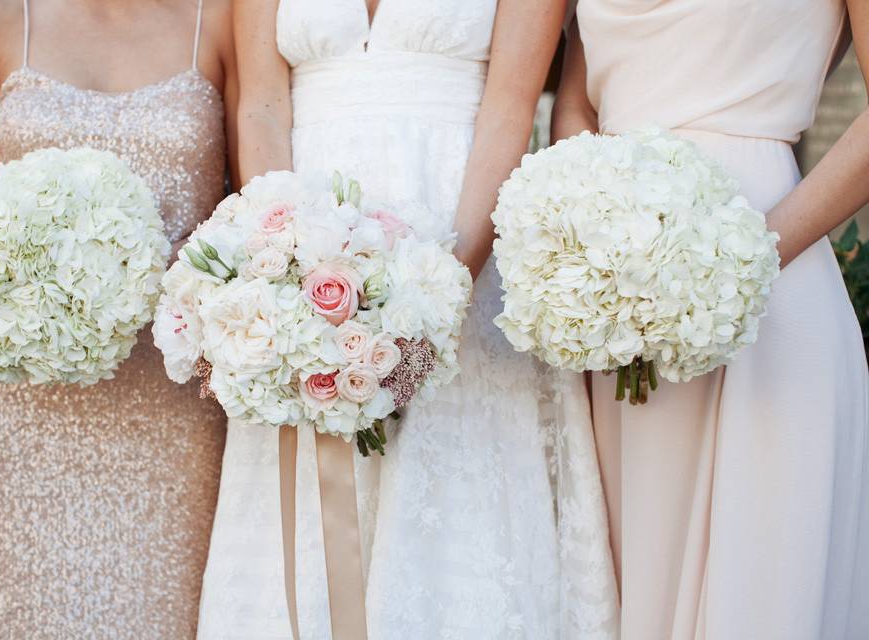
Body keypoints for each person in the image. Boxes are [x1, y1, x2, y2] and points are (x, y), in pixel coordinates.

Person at [196, 1, 618, 638]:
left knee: (451, 504)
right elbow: (260, 101)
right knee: (311, 507)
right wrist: (280, 269)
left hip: (456, 229)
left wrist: (443, 292)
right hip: (306, 238)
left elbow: (510, 107)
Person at [0, 0, 237, 636]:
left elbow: (252, 197)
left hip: (171, 397)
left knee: (163, 606)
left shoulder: (220, 19)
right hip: (26, 402)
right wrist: (20, 286)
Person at [551, 1, 869, 638]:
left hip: (771, 276)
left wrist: (741, 258)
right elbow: (578, 105)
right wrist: (588, 246)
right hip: (618, 306)